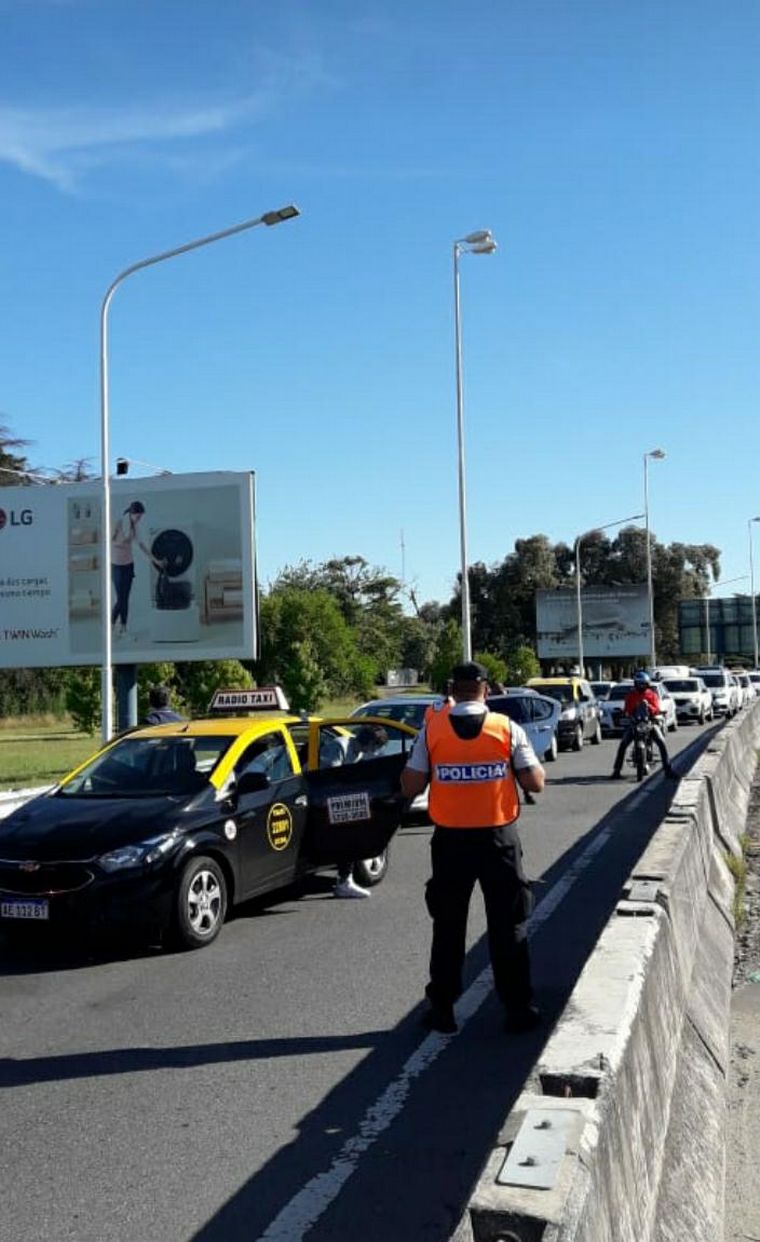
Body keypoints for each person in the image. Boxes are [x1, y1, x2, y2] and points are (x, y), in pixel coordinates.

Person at [401, 660, 545, 1035]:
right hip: (498, 839)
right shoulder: (506, 729)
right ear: (486, 689)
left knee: (448, 926)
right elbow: (535, 782)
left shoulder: (432, 730)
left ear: (452, 688)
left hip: (450, 842)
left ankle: (443, 1010)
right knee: (508, 923)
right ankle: (517, 1009)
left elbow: (410, 786)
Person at [334, 725, 391, 899]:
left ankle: (346, 878)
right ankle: (344, 882)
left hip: (341, 800)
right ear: (367, 743)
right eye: (374, 747)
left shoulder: (358, 751)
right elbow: (329, 775)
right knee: (350, 835)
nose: (374, 752)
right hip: (324, 802)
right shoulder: (339, 747)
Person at [111, 500, 165, 638]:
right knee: (121, 598)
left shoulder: (135, 528)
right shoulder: (118, 523)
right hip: (116, 565)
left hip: (128, 565)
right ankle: (111, 627)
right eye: (138, 516)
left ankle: (123, 627)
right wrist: (121, 542)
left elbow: (142, 546)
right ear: (132, 513)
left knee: (126, 597)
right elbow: (108, 542)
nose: (139, 519)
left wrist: (156, 560)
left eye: (141, 517)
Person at [611, 670, 676, 779]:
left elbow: (656, 709)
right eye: (639, 683)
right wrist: (629, 713)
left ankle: (668, 769)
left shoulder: (652, 695)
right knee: (623, 744)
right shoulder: (631, 695)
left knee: (661, 742)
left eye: (643, 684)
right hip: (635, 724)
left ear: (647, 684)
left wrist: (649, 707)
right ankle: (616, 770)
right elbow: (627, 709)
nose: (641, 686)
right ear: (635, 684)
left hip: (649, 723)